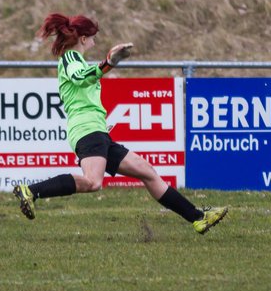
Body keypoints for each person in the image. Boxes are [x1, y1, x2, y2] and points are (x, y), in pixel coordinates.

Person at [12, 13, 229, 235]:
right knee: (92, 182)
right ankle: (31, 191)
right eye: (93, 37)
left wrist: (106, 68)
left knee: (147, 172)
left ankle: (198, 218)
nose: (94, 42)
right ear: (84, 39)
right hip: (87, 130)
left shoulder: (76, 60)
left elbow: (85, 81)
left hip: (97, 131)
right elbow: (81, 78)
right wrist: (108, 64)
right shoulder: (70, 58)